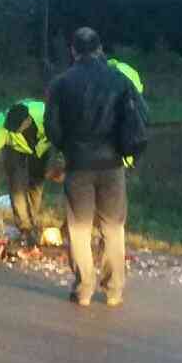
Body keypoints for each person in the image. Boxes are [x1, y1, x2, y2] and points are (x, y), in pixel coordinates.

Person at [44, 27, 148, 308]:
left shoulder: (61, 83)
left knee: (79, 228)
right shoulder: (119, 80)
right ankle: (114, 290)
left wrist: (66, 147)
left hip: (78, 165)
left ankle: (84, 289)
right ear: (100, 49)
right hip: (112, 164)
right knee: (113, 228)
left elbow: (51, 128)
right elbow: (140, 116)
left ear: (73, 50)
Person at [0, 98, 53, 246]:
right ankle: (25, 228)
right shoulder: (2, 127)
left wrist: (61, 163)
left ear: (27, 121)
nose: (12, 129)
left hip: (41, 149)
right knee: (17, 185)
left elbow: (62, 138)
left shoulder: (46, 115)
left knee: (36, 184)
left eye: (17, 128)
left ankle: (32, 219)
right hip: (14, 149)